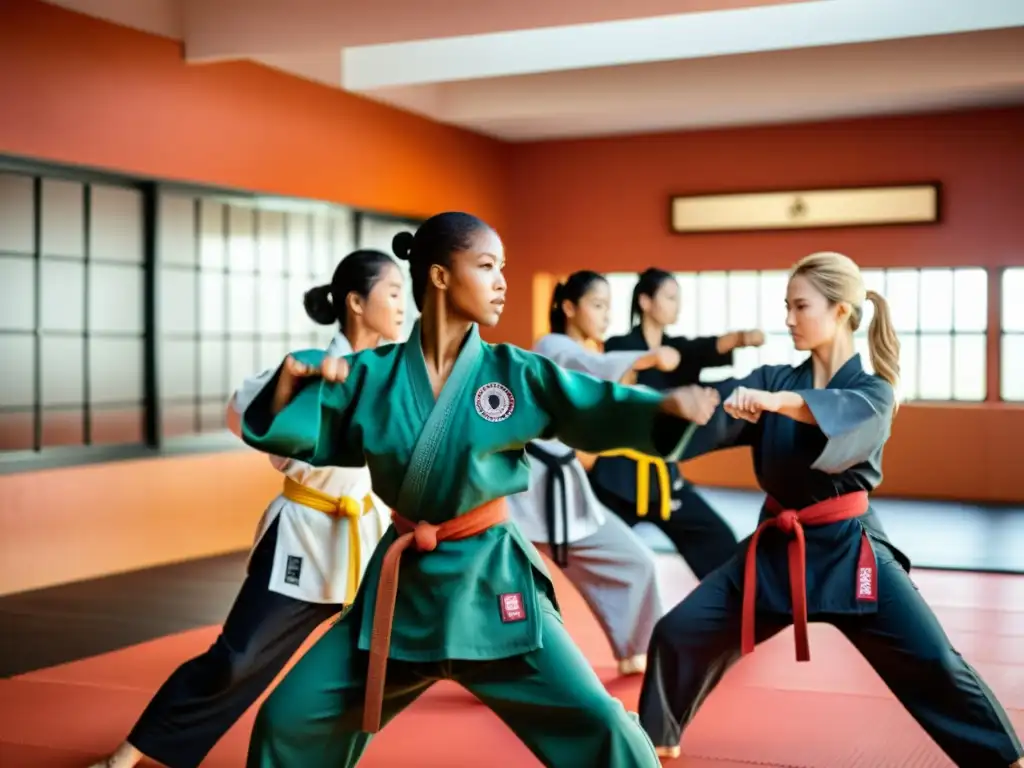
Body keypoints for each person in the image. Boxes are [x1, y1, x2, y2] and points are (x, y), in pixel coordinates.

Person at [236, 211, 722, 768]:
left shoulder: (513, 373)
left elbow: (591, 404)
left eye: (502, 268)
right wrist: (285, 389)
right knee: (288, 719)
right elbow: (299, 432)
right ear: (440, 276)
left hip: (492, 584)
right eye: (487, 266)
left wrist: (661, 409)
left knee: (601, 722)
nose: (501, 282)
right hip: (402, 596)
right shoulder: (371, 374)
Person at [636, 252, 1024, 768]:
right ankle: (650, 747)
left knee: (933, 664)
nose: (789, 319)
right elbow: (717, 411)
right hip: (776, 552)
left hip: (851, 553)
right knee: (678, 633)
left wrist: (775, 404)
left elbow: (836, 421)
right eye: (786, 306)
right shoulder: (774, 379)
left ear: (842, 311)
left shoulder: (874, 389)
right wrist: (674, 408)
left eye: (801, 306)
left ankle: (1005, 759)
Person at [90, 250, 406, 768]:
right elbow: (244, 417)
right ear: (355, 302)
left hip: (367, 542)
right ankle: (127, 755)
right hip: (305, 537)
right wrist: (290, 384)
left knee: (380, 662)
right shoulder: (303, 365)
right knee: (238, 660)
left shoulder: (393, 376)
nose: (403, 305)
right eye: (393, 293)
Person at [508, 270, 682, 677]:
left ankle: (636, 649)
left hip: (567, 488)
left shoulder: (587, 356)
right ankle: (503, 666)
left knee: (635, 559)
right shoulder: (552, 346)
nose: (606, 316)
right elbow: (589, 363)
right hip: (524, 489)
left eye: (608, 306)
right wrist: (645, 358)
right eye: (597, 305)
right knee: (512, 587)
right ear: (569, 307)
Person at [589, 266, 765, 579]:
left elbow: (706, 348)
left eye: (678, 299)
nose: (677, 305)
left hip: (662, 479)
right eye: (670, 297)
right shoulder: (619, 346)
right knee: (591, 549)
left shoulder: (679, 350)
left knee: (718, 541)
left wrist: (740, 338)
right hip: (615, 478)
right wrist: (652, 359)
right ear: (645, 301)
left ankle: (732, 608)